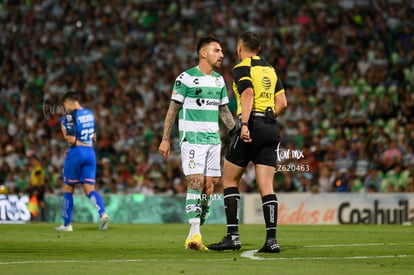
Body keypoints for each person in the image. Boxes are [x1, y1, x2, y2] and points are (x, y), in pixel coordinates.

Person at [207, 31, 287, 253]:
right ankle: (272, 240)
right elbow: (282, 102)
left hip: (250, 126)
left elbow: (248, 93)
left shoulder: (242, 67)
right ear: (259, 48)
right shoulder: (271, 70)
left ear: (240, 48)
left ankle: (232, 236)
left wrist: (244, 124)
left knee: (230, 180)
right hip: (271, 128)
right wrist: (269, 119)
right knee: (266, 186)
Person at [158, 36, 235, 251]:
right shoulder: (186, 78)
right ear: (203, 53)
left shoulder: (219, 80)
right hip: (192, 139)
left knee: (210, 187)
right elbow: (172, 109)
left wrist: (236, 130)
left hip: (213, 140)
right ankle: (194, 232)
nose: (221, 55)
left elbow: (223, 111)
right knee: (196, 181)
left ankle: (196, 229)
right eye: (216, 50)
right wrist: (165, 138)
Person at [55, 91, 110, 231]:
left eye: (64, 104)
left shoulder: (69, 116)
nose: (64, 108)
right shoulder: (89, 114)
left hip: (76, 152)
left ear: (68, 102)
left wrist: (64, 130)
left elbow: (71, 139)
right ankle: (103, 213)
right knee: (90, 189)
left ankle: (67, 224)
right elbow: (94, 137)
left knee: (68, 188)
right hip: (90, 153)